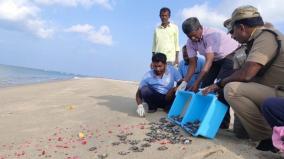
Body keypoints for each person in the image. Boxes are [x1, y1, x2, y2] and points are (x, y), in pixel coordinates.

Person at [201, 5, 284, 151]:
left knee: (231, 89)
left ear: (242, 28)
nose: (232, 36)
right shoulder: (250, 44)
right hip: (269, 91)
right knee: (240, 132)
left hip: (278, 96)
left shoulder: (266, 36)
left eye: (232, 31)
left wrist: (220, 84)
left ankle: (269, 137)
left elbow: (247, 74)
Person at [179, 17, 239, 128]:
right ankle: (204, 116)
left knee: (219, 86)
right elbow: (192, 64)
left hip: (230, 55)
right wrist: (184, 82)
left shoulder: (211, 35)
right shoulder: (190, 42)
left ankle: (223, 122)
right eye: (189, 36)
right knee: (205, 86)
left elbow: (209, 61)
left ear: (200, 28)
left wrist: (196, 82)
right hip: (216, 59)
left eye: (194, 35)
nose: (193, 38)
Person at [136, 53, 182, 117]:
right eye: (155, 66)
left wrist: (176, 88)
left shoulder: (172, 70)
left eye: (160, 66)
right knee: (144, 89)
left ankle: (167, 107)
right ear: (152, 64)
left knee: (173, 89)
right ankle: (152, 107)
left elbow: (180, 81)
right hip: (155, 97)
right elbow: (138, 92)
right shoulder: (147, 75)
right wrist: (139, 105)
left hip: (168, 97)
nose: (157, 69)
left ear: (165, 65)